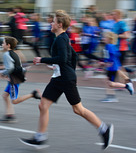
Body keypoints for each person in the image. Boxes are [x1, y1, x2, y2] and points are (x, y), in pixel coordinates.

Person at [20, 10, 114, 150]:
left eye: (53, 21)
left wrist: (42, 60)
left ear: (59, 24)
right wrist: (58, 67)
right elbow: (73, 56)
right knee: (43, 105)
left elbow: (63, 58)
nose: (51, 23)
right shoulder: (62, 38)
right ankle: (40, 137)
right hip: (59, 78)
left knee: (78, 109)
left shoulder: (61, 38)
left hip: (65, 79)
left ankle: (104, 129)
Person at [0, 36, 41, 123]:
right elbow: (18, 66)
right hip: (15, 78)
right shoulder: (14, 53)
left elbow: (10, 68)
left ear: (8, 45)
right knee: (5, 96)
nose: (2, 44)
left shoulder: (6, 54)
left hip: (14, 80)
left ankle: (33, 94)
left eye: (3, 43)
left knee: (14, 101)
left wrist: (4, 73)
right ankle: (9, 115)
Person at [101, 32, 134, 102]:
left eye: (105, 37)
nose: (103, 39)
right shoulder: (109, 46)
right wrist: (105, 62)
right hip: (112, 67)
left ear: (109, 39)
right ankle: (111, 96)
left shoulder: (109, 46)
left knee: (110, 83)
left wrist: (109, 62)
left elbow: (113, 55)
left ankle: (126, 87)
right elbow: (115, 54)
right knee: (108, 83)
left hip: (112, 68)